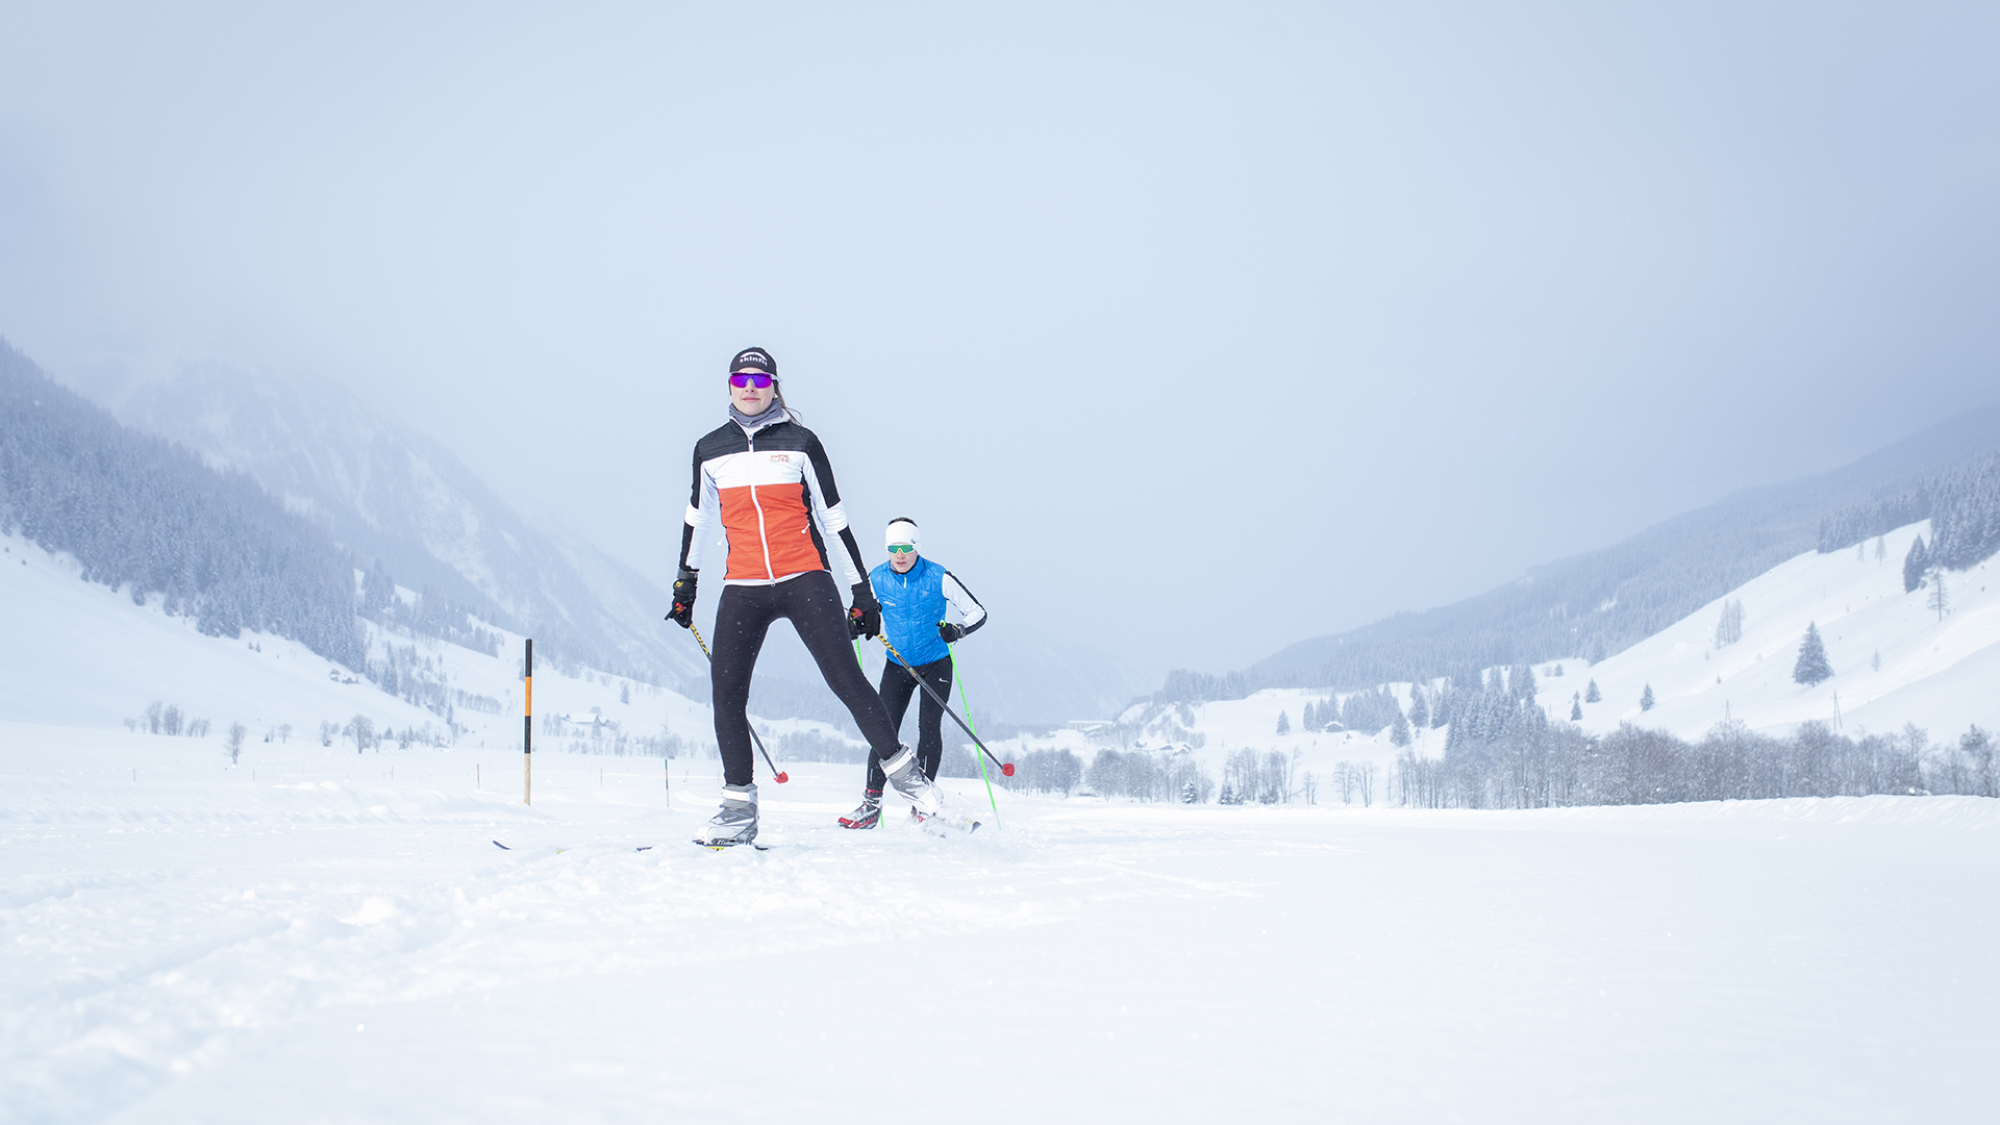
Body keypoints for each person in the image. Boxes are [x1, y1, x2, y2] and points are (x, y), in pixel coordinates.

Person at [667, 347, 942, 846]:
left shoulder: (800, 443)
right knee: (726, 696)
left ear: (774, 386)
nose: (750, 387)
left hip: (805, 577)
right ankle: (737, 811)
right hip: (743, 586)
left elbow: (834, 521)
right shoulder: (710, 450)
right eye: (741, 379)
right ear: (729, 386)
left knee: (846, 680)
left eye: (759, 379)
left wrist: (861, 590)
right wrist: (687, 580)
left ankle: (909, 780)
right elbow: (699, 519)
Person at [840, 517, 988, 829]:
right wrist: (855, 623)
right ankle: (870, 805)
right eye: (893, 548)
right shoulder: (876, 579)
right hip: (897, 665)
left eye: (906, 547)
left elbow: (978, 612)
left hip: (935, 663)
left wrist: (957, 630)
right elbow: (859, 612)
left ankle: (923, 807)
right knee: (882, 731)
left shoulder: (938, 577)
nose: (900, 554)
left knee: (928, 728)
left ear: (916, 547)